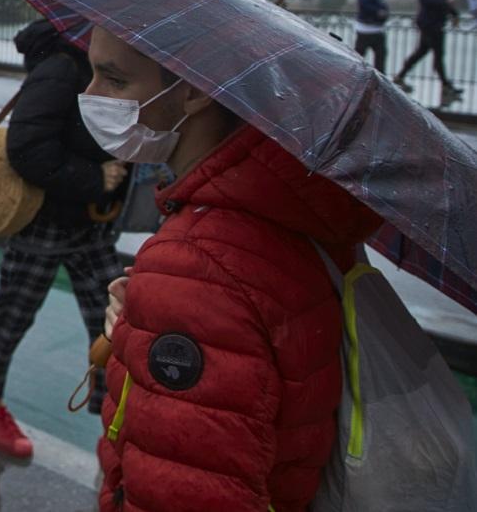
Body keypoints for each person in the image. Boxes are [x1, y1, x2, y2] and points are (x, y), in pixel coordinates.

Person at [83, 26, 382, 511]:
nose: (90, 95)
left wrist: (177, 292)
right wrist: (154, 306)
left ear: (196, 90)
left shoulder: (201, 261)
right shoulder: (286, 208)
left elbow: (182, 490)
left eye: (114, 81)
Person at [0, 18, 126, 459]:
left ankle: (109, 421)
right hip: (43, 221)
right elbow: (26, 149)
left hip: (91, 225)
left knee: (112, 325)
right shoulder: (60, 68)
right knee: (12, 318)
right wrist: (94, 177)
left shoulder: (101, 67)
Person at [393, 0, 463, 99]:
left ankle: (400, 76)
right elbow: (426, 0)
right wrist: (446, 2)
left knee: (421, 52)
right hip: (430, 24)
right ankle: (446, 86)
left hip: (433, 23)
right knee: (438, 54)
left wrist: (455, 14)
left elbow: (444, 2)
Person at [353, 0, 390, 73]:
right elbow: (364, 3)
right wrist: (377, 12)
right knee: (359, 58)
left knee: (381, 57)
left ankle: (379, 83)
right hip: (366, 28)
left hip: (378, 29)